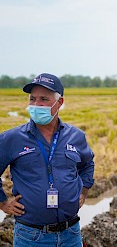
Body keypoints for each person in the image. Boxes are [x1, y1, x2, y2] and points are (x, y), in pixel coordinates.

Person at [0, 73, 95, 246]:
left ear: (60, 103)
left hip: (71, 234)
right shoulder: (11, 138)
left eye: (44, 99)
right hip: (30, 236)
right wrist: (3, 203)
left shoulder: (76, 136)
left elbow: (87, 164)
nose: (36, 105)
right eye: (32, 99)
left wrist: (83, 191)